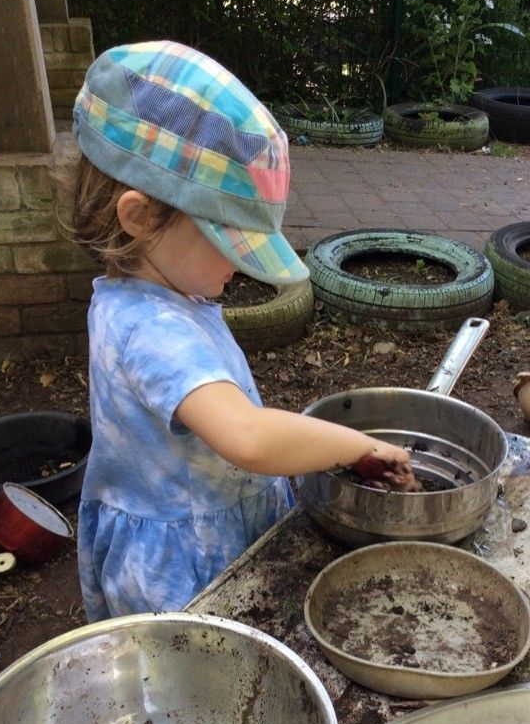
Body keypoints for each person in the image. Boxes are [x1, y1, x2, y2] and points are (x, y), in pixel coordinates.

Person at [68, 40, 417, 622]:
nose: (242, 266)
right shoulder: (150, 329)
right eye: (229, 243)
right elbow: (248, 438)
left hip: (207, 526)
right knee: (201, 672)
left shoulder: (159, 293)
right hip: (184, 575)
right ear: (139, 218)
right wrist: (360, 444)